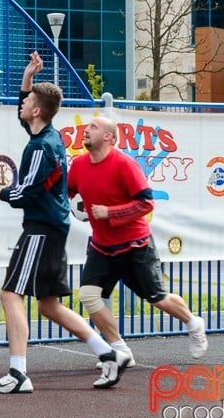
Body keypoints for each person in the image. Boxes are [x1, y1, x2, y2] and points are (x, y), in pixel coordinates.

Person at [0, 52, 129, 393]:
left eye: (28, 102)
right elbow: (23, 110)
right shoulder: (44, 135)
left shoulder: (41, 148)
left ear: (38, 110)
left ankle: (19, 374)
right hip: (51, 228)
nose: (22, 105)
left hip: (41, 230)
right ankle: (107, 352)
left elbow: (23, 195)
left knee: (10, 293)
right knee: (49, 305)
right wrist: (28, 77)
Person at [68, 116, 208, 365]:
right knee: (89, 295)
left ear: (109, 137)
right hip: (101, 246)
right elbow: (65, 193)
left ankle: (193, 323)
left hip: (136, 246)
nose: (86, 130)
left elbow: (146, 203)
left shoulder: (124, 164)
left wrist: (110, 213)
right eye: (87, 127)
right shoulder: (78, 165)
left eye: (93, 127)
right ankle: (120, 349)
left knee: (158, 299)